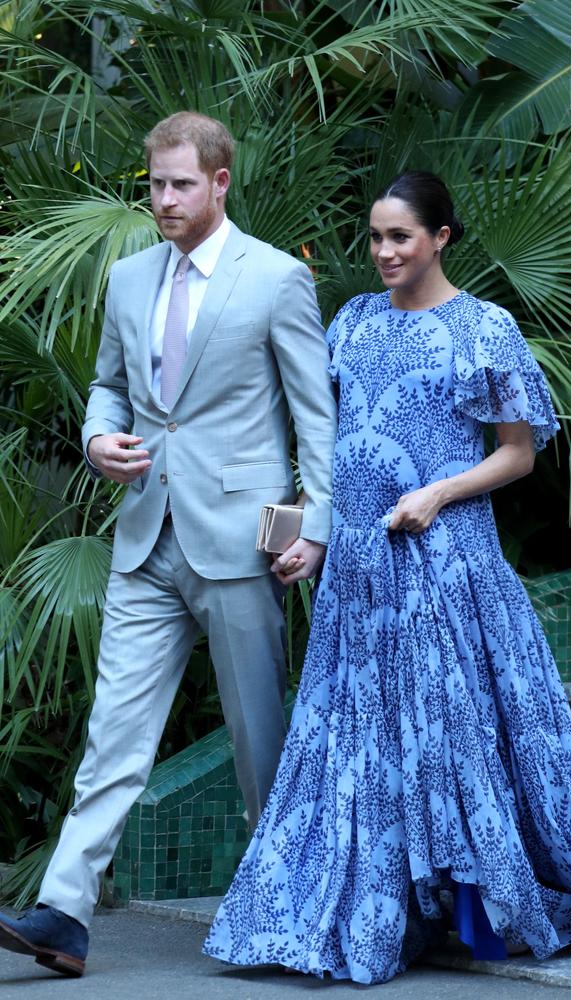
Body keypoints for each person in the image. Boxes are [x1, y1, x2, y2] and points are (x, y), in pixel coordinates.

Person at [203, 171, 571, 984]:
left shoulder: (484, 328)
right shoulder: (350, 324)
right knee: (358, 747)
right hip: (360, 580)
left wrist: (439, 493)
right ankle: (380, 909)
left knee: (452, 743)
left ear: (440, 237)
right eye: (374, 237)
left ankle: (480, 914)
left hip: (447, 566)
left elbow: (519, 451)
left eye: (399, 237)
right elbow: (331, 454)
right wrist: (309, 539)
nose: (382, 253)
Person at [0, 111, 337, 977]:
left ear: (221, 182)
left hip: (241, 542)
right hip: (146, 536)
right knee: (114, 734)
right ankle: (66, 914)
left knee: (260, 736)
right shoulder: (127, 279)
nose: (165, 199)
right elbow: (109, 391)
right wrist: (96, 439)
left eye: (182, 183)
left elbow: (313, 419)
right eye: (155, 183)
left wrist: (316, 528)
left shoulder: (274, 279)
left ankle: (283, 904)